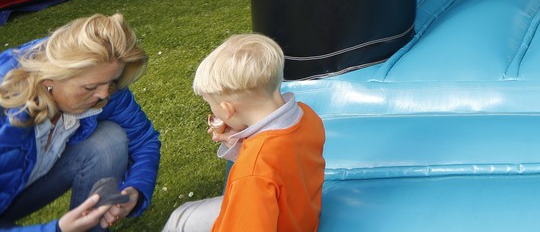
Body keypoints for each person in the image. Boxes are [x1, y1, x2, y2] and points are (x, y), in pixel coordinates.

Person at [0, 13, 160, 232]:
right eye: (90, 88)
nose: (104, 94)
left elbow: (143, 140)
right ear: (50, 79)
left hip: (16, 195)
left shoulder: (103, 82)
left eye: (110, 82)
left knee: (109, 140)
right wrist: (56, 229)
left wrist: (136, 190)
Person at [162, 33, 324, 232]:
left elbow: (260, 175)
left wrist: (251, 156)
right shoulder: (307, 116)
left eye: (210, 104)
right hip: (300, 215)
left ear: (227, 110)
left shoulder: (253, 171)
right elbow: (284, 166)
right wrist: (244, 146)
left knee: (178, 222)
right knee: (182, 215)